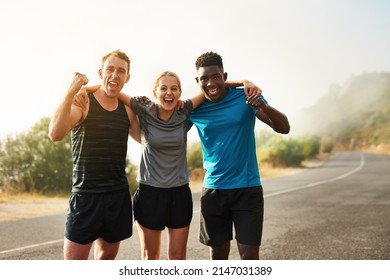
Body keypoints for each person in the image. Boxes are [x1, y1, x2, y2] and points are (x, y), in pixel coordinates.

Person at [75, 71, 261, 260]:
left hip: (179, 194)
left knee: (177, 256)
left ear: (180, 93)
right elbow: (112, 90)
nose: (168, 93)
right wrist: (85, 88)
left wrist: (243, 81)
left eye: (174, 89)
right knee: (151, 256)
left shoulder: (185, 110)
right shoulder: (143, 108)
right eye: (163, 88)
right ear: (154, 93)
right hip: (150, 193)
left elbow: (212, 86)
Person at [188, 51, 290, 260]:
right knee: (218, 256)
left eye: (216, 76)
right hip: (213, 190)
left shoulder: (245, 98)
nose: (210, 83)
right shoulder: (195, 109)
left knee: (249, 256)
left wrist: (264, 107)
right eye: (204, 78)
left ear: (225, 77)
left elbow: (284, 128)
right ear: (197, 81)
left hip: (247, 188)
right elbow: (170, 127)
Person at [48, 49, 140, 260]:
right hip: (85, 197)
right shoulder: (84, 101)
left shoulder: (127, 110)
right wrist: (70, 92)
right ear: (101, 72)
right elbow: (55, 133)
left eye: (121, 71)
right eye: (110, 69)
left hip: (117, 196)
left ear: (128, 77)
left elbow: (149, 139)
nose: (115, 75)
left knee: (106, 259)